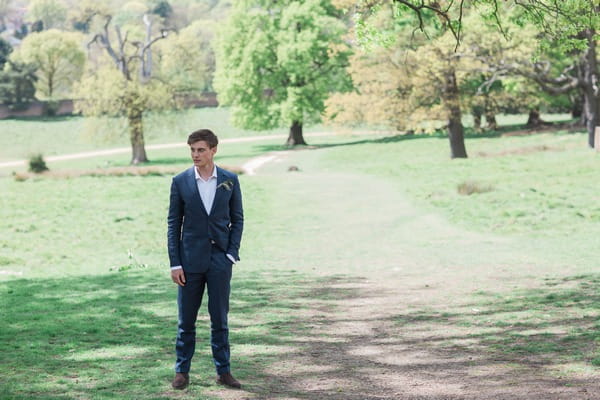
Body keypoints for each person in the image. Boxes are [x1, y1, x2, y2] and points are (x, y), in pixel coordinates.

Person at [167, 129, 244, 390]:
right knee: (185, 321)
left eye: (200, 150)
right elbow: (173, 224)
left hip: (220, 260)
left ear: (213, 150)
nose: (195, 155)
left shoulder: (230, 180)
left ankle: (224, 371)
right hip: (189, 262)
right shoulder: (180, 181)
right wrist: (175, 263)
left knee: (219, 319)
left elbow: (238, 219)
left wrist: (231, 254)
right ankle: (182, 371)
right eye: (191, 150)